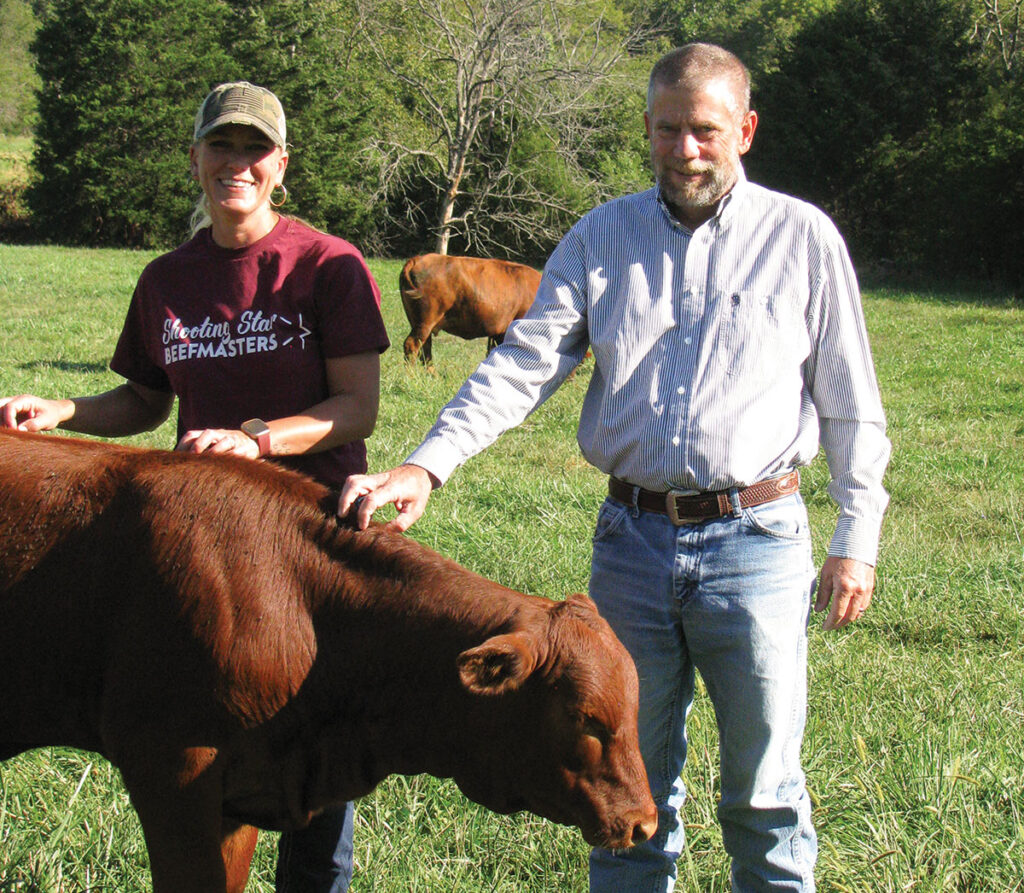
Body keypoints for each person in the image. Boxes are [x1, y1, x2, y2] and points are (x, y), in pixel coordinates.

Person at [338, 44, 890, 892]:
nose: (685, 150)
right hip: (631, 546)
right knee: (622, 789)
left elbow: (850, 401)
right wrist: (426, 465)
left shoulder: (802, 239)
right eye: (667, 129)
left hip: (758, 542)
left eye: (705, 130)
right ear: (647, 129)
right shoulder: (601, 236)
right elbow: (523, 364)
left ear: (744, 130)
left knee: (765, 790)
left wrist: (857, 535)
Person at [0, 81, 390, 893]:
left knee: (314, 770)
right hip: (209, 556)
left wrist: (256, 441)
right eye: (221, 146)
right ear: (195, 159)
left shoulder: (328, 264)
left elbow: (357, 409)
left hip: (315, 546)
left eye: (254, 150)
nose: (236, 164)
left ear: (281, 165)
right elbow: (145, 401)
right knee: (213, 740)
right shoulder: (167, 280)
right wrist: (61, 407)